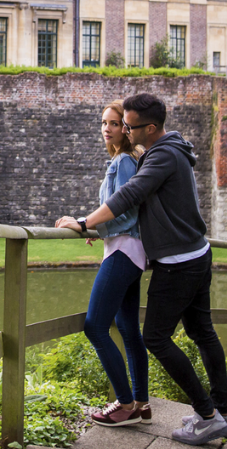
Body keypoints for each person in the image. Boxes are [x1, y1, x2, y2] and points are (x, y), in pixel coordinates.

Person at [57, 92, 227, 446]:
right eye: (114, 122)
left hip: (179, 263)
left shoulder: (161, 156)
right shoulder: (170, 150)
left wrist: (85, 222)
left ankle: (207, 416)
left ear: (149, 128)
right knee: (202, 333)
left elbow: (129, 196)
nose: (122, 128)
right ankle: (222, 414)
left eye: (127, 124)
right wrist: (98, 226)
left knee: (154, 336)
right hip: (197, 253)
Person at [55, 100, 149, 427]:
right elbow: (119, 212)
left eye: (113, 123)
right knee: (126, 329)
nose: (106, 128)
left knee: (95, 326)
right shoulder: (125, 160)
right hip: (129, 250)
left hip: (124, 250)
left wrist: (85, 223)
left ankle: (124, 404)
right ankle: (141, 404)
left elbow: (127, 209)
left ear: (126, 128)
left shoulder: (124, 161)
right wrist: (98, 227)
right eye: (103, 122)